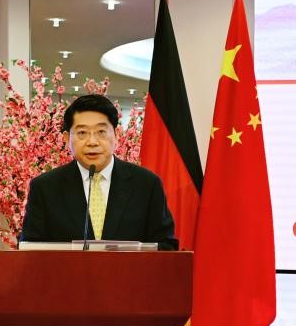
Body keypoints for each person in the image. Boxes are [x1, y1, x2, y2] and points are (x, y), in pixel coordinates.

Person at [20, 94, 178, 250]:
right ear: (66, 138)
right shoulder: (45, 188)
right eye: (82, 133)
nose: (92, 142)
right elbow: (31, 250)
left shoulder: (147, 184)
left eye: (101, 132)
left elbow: (165, 247)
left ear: (116, 134)